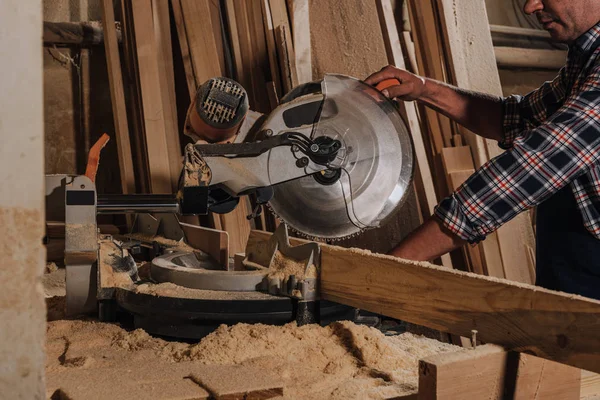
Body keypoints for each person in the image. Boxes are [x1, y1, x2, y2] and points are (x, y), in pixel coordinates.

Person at [365, 0, 600, 300]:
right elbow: (514, 119)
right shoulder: (586, 57)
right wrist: (424, 89)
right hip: (572, 275)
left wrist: (382, 271)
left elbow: (528, 170)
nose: (530, 7)